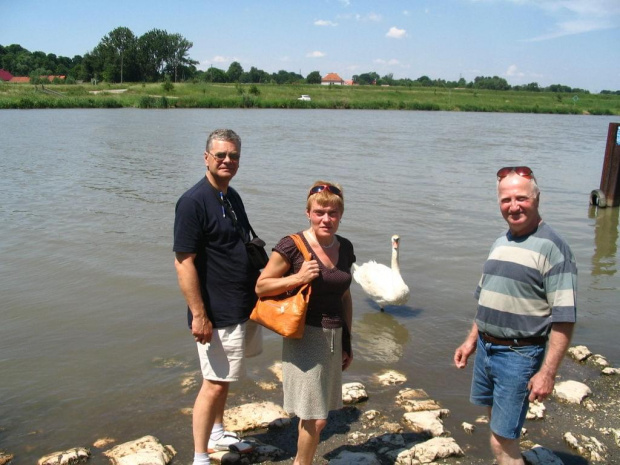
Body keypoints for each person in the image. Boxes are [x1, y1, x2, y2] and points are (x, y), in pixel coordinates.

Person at [454, 166, 577, 465]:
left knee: (503, 439)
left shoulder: (553, 248)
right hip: (486, 348)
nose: (514, 206)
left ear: (536, 198)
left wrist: (547, 373)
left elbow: (564, 318)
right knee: (496, 421)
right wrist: (471, 341)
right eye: (506, 200)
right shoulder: (500, 242)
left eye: (521, 198)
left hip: (518, 355)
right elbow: (486, 299)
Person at [173, 129, 259, 465]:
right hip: (216, 311)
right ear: (206, 157)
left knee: (224, 379)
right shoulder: (193, 202)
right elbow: (183, 262)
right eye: (220, 155)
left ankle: (218, 432)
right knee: (213, 382)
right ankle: (199, 456)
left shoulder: (231, 195)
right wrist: (199, 314)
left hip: (240, 305)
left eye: (233, 156)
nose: (227, 161)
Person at [255, 181, 355, 465]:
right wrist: (298, 277)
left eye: (333, 213)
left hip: (334, 335)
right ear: (308, 213)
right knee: (316, 416)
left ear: (340, 215)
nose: (327, 219)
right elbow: (261, 287)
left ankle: (302, 460)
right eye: (320, 212)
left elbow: (345, 298)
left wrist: (348, 341)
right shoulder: (292, 245)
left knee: (317, 413)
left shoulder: (345, 247)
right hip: (305, 336)